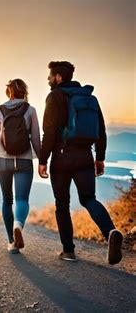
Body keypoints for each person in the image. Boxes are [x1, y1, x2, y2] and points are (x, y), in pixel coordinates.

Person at [38, 61, 123, 264]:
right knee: (88, 199)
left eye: (50, 76)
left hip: (61, 157)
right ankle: (110, 231)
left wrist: (43, 160)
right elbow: (100, 130)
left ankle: (68, 251)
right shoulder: (88, 97)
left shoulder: (54, 96)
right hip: (85, 155)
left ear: (58, 77)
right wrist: (99, 158)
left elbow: (49, 132)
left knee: (62, 204)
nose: (49, 80)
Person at [0, 79, 41, 254]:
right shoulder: (30, 110)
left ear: (8, 93)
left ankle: (11, 241)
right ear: (24, 92)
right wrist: (42, 161)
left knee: (7, 200)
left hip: (3, 160)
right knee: (21, 199)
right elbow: (35, 139)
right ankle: (18, 225)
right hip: (25, 160)